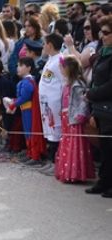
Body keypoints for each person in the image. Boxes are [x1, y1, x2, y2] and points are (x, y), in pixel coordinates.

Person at [54, 55, 94, 183]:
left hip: (75, 118)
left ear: (69, 69)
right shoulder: (67, 84)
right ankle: (67, 172)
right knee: (67, 144)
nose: (61, 69)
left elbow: (84, 101)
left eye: (62, 67)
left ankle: (76, 173)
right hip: (67, 117)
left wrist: (82, 114)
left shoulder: (78, 84)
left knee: (76, 145)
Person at [86, 16, 112, 197]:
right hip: (100, 107)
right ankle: (103, 182)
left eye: (106, 33)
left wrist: (91, 94)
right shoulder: (103, 52)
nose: (102, 36)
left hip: (109, 107)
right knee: (104, 147)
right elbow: (96, 79)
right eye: (101, 32)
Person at [7, 57, 45, 165]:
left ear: (28, 68)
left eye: (21, 65)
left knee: (31, 132)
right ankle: (30, 153)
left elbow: (24, 97)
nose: (18, 68)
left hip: (29, 111)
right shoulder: (26, 81)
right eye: (18, 65)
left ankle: (35, 155)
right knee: (27, 132)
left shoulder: (28, 82)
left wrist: (13, 104)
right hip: (25, 110)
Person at [38, 34, 65, 173]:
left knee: (55, 132)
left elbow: (64, 82)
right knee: (49, 132)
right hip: (46, 104)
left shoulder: (60, 59)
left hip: (55, 104)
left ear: (50, 45)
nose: (43, 46)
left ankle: (56, 163)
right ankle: (50, 161)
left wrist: (63, 103)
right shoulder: (50, 59)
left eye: (44, 44)